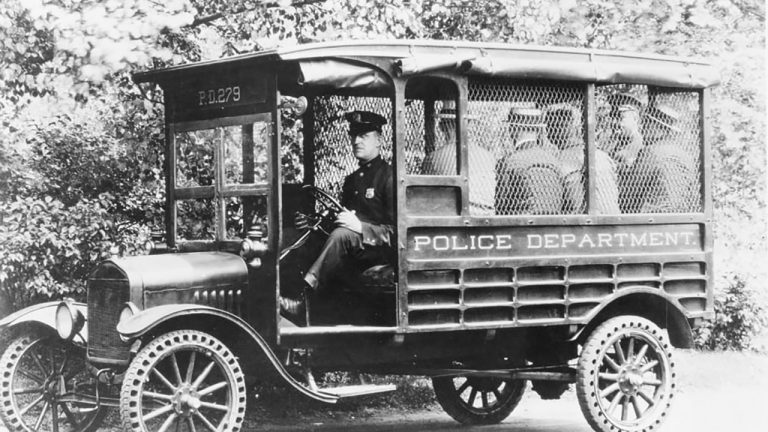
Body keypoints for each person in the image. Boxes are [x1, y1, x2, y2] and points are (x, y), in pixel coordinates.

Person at [280, 110, 394, 320]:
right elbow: (341, 220)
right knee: (293, 235)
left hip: (377, 251)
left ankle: (304, 302)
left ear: (379, 140)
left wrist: (360, 228)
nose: (356, 141)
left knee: (342, 235)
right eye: (354, 135)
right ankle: (278, 294)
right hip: (351, 246)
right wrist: (312, 224)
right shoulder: (352, 180)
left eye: (364, 136)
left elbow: (397, 233)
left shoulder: (390, 178)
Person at [545, 101, 620, 214]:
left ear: (551, 132)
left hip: (583, 221)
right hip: (614, 220)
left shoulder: (559, 162)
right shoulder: (602, 156)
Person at [421, 104, 496, 214]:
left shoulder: (433, 158)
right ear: (468, 125)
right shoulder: (488, 156)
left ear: (441, 127)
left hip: (451, 218)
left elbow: (427, 196)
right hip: (485, 217)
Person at [628, 104, 697, 213]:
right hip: (683, 215)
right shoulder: (685, 155)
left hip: (654, 216)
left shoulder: (650, 152)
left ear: (660, 128)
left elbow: (631, 192)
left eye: (646, 124)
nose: (642, 129)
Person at [496, 106, 563, 215]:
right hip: (554, 221)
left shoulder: (510, 162)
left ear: (512, 129)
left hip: (521, 222)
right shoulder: (554, 161)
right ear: (538, 130)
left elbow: (500, 203)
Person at [602, 92, 647, 212]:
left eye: (621, 118)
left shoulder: (641, 146)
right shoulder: (611, 144)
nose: (615, 123)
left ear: (635, 119)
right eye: (612, 117)